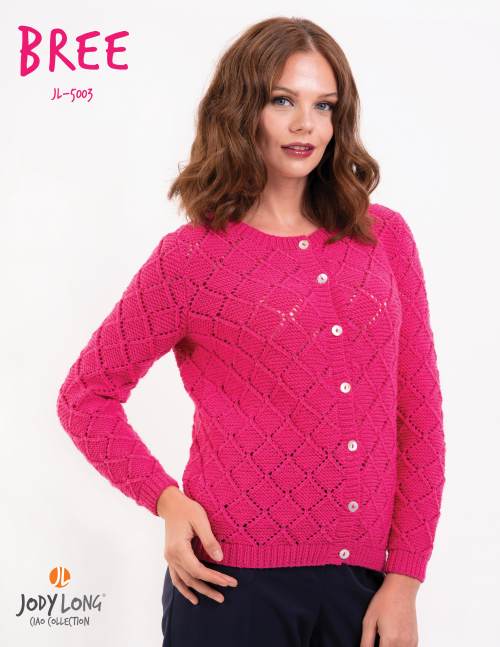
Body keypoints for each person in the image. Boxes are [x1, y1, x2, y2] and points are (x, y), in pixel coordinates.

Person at [56, 16, 446, 647]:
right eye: (283, 100)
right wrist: (166, 500)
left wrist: (405, 579)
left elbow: (419, 416)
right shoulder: (190, 259)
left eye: (324, 106)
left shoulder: (385, 239)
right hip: (228, 584)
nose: (305, 124)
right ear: (243, 109)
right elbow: (85, 396)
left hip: (365, 589)